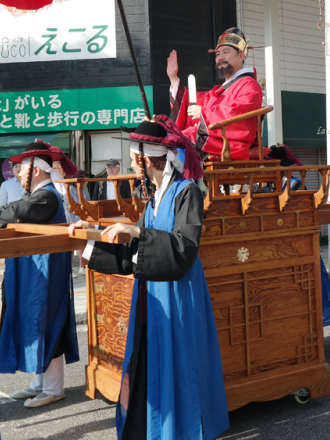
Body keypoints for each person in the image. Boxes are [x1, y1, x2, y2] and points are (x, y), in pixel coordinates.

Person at [71, 116, 229, 440]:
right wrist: (86, 246)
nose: (132, 165)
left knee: (182, 368)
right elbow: (134, 254)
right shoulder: (152, 200)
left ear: (146, 161)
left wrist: (139, 231)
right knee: (146, 365)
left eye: (133, 160)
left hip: (179, 299)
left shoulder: (187, 193)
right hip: (151, 300)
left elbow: (184, 248)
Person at [0, 140, 80, 408]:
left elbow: (19, 211)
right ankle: (38, 384)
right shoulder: (38, 194)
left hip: (46, 273)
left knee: (46, 322)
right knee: (34, 321)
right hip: (36, 271)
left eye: (20, 168)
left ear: (36, 170)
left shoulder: (47, 196)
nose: (15, 173)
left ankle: (53, 387)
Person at [269, 144, 330, 326]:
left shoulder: (294, 182)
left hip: (298, 241)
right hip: (283, 242)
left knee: (309, 287)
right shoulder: (272, 183)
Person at [168, 27, 263, 161]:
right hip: (216, 139)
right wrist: (173, 79)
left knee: (178, 141)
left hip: (231, 144)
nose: (220, 57)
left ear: (241, 55)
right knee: (166, 136)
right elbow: (197, 100)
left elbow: (237, 113)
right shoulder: (220, 90)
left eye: (225, 52)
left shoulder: (249, 85)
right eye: (217, 54)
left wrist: (203, 113)